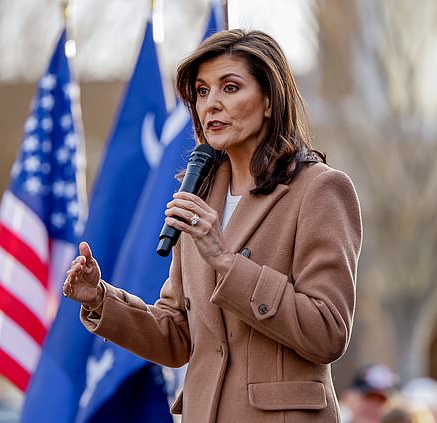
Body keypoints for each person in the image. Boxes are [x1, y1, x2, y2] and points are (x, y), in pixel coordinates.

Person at [63, 29, 362, 422]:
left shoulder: (320, 190)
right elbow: (177, 337)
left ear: (270, 101)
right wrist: (101, 299)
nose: (212, 105)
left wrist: (225, 259)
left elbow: (327, 332)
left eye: (230, 87)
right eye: (202, 92)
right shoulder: (201, 196)